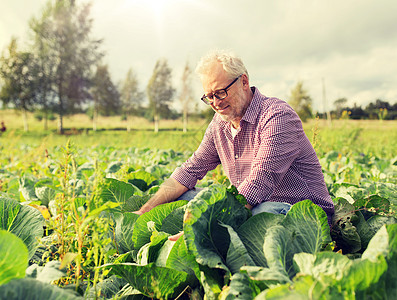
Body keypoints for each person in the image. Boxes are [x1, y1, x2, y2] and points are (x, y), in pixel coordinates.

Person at [134, 50, 334, 239]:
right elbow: (189, 170)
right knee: (184, 199)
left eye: (220, 93)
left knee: (262, 214)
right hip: (249, 206)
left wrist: (205, 229)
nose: (215, 103)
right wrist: (145, 210)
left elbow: (259, 182)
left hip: (301, 214)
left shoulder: (277, 116)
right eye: (209, 97)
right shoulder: (219, 124)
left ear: (244, 82)